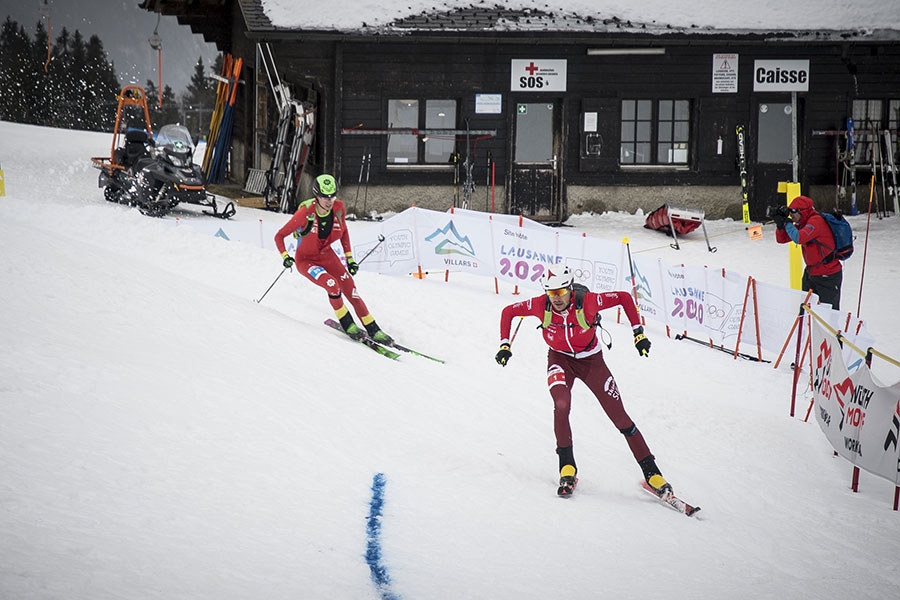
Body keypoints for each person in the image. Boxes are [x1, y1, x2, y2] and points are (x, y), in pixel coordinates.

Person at [494, 266, 671, 498]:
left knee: (620, 418)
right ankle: (567, 467)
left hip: (592, 362)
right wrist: (505, 344)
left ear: (569, 289)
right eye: (551, 293)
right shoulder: (541, 304)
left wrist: (638, 333)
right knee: (561, 405)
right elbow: (508, 311)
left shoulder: (587, 302)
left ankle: (652, 473)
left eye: (560, 292)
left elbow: (625, 298)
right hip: (559, 360)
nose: (555, 298)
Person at [274, 173, 392, 343]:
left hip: (327, 256)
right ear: (317, 195)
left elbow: (344, 233)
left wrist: (350, 259)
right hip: (306, 261)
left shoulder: (338, 209)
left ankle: (374, 329)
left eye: (332, 196)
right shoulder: (305, 213)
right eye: (324, 196)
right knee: (333, 286)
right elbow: (279, 236)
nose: (329, 201)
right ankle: (348, 324)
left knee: (351, 289)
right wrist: (285, 256)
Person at [772, 195, 843, 310]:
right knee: (805, 312)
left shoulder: (816, 222)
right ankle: (805, 328)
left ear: (803, 211)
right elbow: (782, 239)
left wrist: (787, 224)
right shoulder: (803, 223)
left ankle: (831, 328)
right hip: (811, 274)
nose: (791, 215)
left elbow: (798, 238)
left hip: (828, 275)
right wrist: (780, 225)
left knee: (828, 314)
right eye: (789, 211)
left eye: (793, 211)